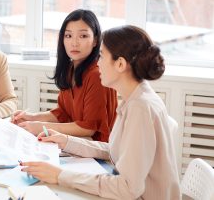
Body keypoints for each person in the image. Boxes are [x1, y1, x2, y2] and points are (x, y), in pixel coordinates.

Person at [21, 25, 180, 199]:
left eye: (102, 56)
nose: (98, 63)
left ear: (120, 64)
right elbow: (115, 151)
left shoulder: (139, 107)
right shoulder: (135, 97)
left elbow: (127, 188)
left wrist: (60, 176)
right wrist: (66, 141)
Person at [12, 9, 117, 142]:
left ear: (95, 40)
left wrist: (40, 126)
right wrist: (31, 117)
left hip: (98, 151)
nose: (74, 43)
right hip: (76, 144)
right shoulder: (70, 69)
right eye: (68, 36)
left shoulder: (96, 75)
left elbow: (88, 128)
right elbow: (63, 113)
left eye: (83, 36)